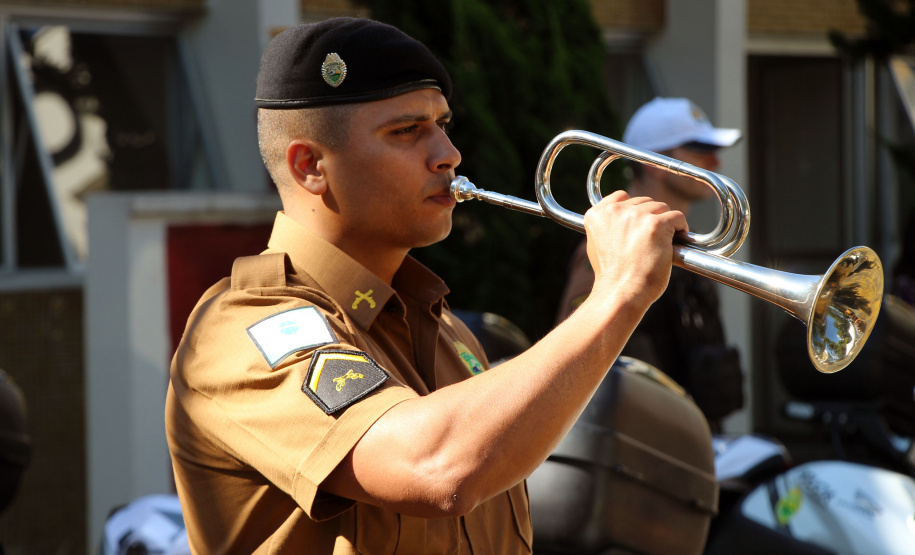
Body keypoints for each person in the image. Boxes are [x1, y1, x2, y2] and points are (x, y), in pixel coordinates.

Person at [165, 18, 687, 554]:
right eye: (406, 131)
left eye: (442, 124)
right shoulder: (242, 330)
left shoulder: (450, 335)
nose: (448, 153)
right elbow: (437, 467)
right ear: (311, 166)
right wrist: (617, 294)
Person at [555, 97, 744, 431]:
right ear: (656, 163)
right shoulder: (608, 243)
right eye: (700, 149)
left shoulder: (687, 241)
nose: (715, 161)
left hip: (691, 439)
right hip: (641, 445)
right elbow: (576, 349)